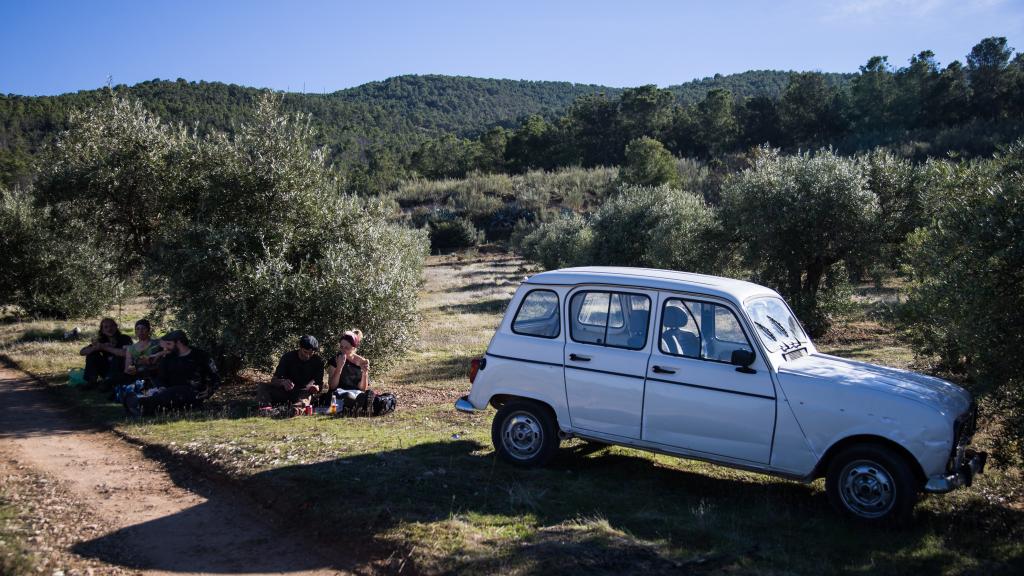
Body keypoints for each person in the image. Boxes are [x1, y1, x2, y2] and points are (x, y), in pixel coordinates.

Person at [123, 330, 220, 417]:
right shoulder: (169, 358)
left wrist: (209, 390)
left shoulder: (201, 355)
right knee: (164, 395)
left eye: (169, 344)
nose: (166, 348)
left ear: (179, 342)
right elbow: (161, 377)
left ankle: (140, 406)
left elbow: (215, 376)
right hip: (169, 393)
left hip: (193, 393)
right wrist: (161, 386)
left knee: (177, 392)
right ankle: (139, 406)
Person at [258, 335, 325, 407]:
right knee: (263, 386)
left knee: (306, 398)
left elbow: (319, 385)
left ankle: (296, 408)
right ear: (300, 348)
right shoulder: (288, 357)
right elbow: (274, 380)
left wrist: (316, 388)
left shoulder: (318, 361)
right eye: (305, 352)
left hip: (303, 393)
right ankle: (265, 408)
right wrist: (283, 382)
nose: (308, 356)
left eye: (311, 353)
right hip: (285, 391)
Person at [79, 318, 132, 388]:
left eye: (111, 326)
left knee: (117, 357)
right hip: (106, 369)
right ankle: (91, 381)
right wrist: (96, 347)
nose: (109, 329)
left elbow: (125, 353)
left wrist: (105, 348)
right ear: (102, 330)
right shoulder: (101, 341)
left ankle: (109, 382)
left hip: (121, 370)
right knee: (92, 354)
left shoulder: (124, 338)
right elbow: (82, 352)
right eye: (106, 327)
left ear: (116, 327)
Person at [326, 330, 370, 402]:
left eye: (346, 348)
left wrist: (365, 373)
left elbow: (362, 389)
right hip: (337, 394)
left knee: (369, 395)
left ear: (353, 347)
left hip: (356, 394)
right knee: (348, 397)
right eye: (341, 347)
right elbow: (332, 386)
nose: (343, 350)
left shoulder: (362, 361)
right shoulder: (335, 360)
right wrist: (339, 367)